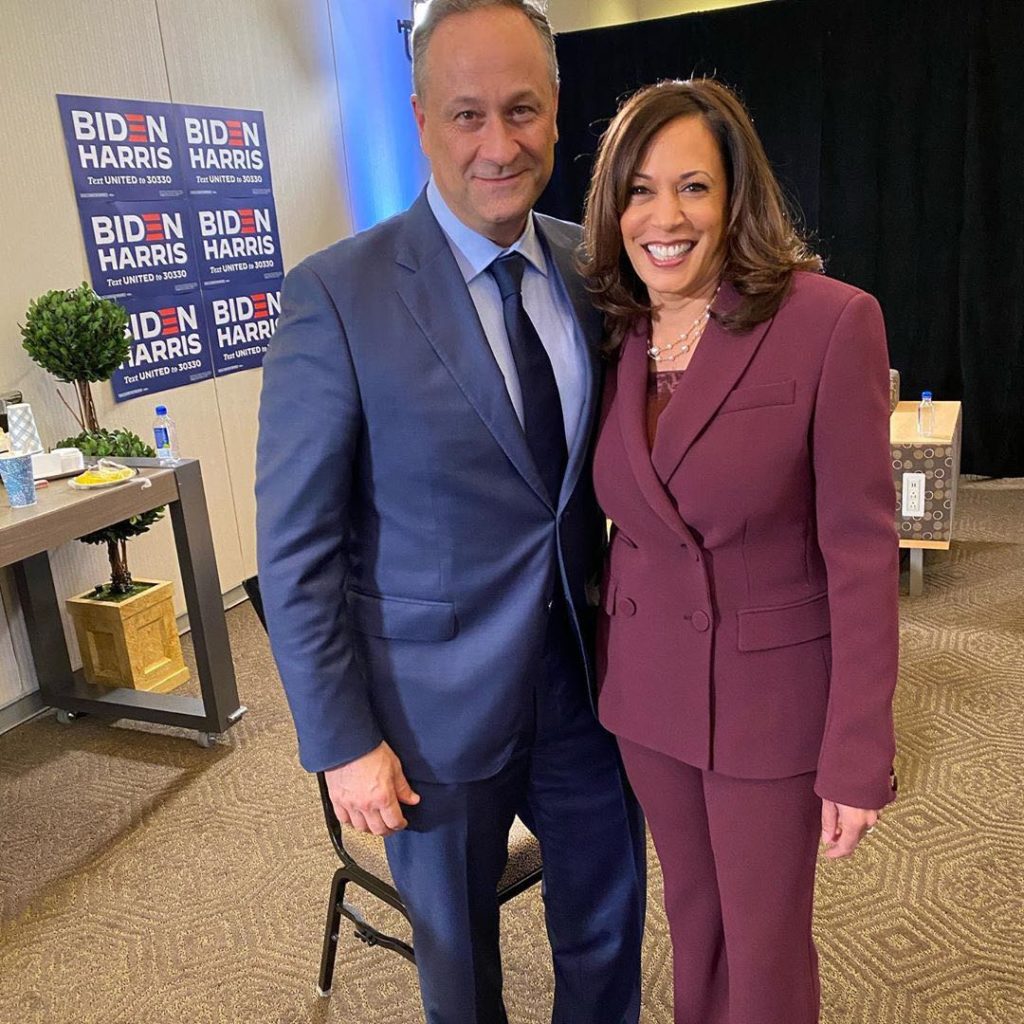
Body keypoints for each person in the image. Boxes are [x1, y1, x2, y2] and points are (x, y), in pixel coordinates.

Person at [255, 2, 646, 1022]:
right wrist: (341, 741)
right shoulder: (337, 295)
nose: (498, 144)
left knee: (609, 930)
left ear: (555, 108)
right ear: (423, 118)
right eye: (468, 114)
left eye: (521, 109)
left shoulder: (596, 269)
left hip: (587, 684)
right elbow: (295, 551)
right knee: (461, 979)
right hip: (427, 715)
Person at [579, 78, 899, 1024]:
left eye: (694, 187)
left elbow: (861, 555)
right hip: (650, 695)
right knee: (696, 921)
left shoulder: (828, 320)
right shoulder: (619, 330)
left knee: (763, 948)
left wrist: (858, 750)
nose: (665, 217)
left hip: (769, 703)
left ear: (735, 196)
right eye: (640, 190)